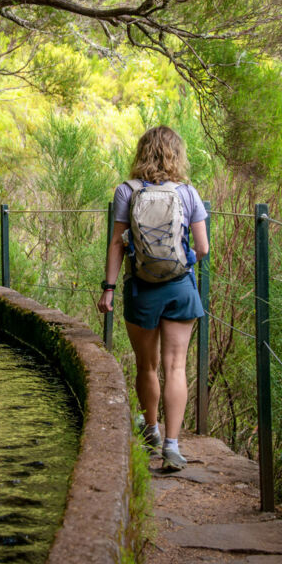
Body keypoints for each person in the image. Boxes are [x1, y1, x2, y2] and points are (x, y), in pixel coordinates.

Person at [96, 125, 209, 472]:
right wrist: (182, 263)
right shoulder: (188, 192)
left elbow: (117, 243)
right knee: (177, 367)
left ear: (142, 152)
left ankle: (152, 430)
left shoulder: (126, 191)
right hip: (180, 289)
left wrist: (109, 288)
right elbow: (203, 248)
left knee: (148, 366)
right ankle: (173, 448)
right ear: (177, 154)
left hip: (141, 289)